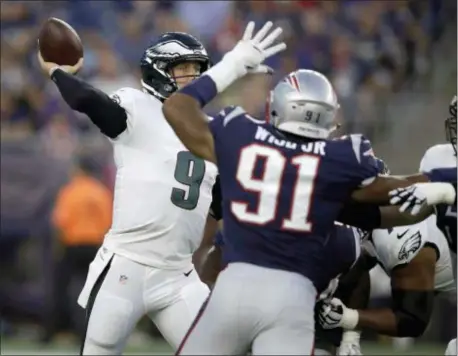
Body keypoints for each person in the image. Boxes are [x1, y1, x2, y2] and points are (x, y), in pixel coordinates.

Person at [161, 20, 448, 355]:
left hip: (235, 286)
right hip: (293, 296)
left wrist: (233, 65)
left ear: (277, 106)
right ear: (327, 118)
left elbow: (177, 107)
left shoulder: (242, 135)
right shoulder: (338, 158)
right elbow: (389, 203)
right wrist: (439, 184)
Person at [37, 31, 222, 355]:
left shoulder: (211, 130)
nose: (194, 77)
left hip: (178, 273)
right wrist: (58, 73)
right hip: (127, 265)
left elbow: (221, 202)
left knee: (218, 350)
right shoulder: (139, 107)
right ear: (158, 71)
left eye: (198, 69)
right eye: (184, 69)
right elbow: (88, 101)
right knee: (100, 349)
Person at [49, 156, 112, 341]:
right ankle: (90, 330)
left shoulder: (70, 190)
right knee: (93, 290)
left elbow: (60, 222)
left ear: (80, 170)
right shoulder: (101, 191)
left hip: (72, 244)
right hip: (95, 246)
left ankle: (58, 329)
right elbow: (108, 223)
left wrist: (57, 247)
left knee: (64, 288)